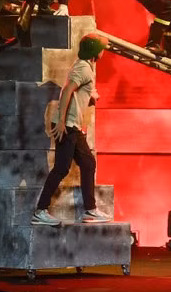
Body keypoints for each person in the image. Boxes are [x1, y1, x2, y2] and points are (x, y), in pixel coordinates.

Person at [32, 33, 112, 225]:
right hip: (67, 125)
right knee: (61, 168)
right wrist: (61, 121)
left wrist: (90, 96)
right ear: (94, 51)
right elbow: (67, 90)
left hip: (72, 125)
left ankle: (90, 210)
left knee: (88, 163)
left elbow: (75, 91)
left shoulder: (85, 66)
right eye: (101, 49)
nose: (103, 52)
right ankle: (40, 210)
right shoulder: (84, 68)